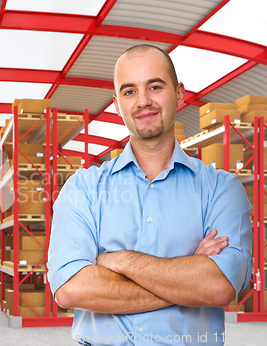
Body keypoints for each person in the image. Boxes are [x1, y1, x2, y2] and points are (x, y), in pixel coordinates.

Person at [47, 44, 253, 346]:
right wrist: (186, 274)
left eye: (155, 86)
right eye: (129, 92)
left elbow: (218, 287)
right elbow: (71, 290)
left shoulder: (222, 189)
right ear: (117, 104)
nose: (143, 101)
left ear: (179, 94)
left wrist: (118, 261)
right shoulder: (83, 189)